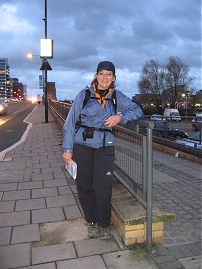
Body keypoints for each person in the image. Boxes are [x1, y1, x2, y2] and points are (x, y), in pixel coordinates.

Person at [62, 61, 143, 240]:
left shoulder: (117, 96)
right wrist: (67, 150)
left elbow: (137, 111)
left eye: (109, 74)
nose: (105, 77)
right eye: (101, 73)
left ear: (114, 78)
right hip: (82, 146)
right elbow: (69, 124)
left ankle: (103, 224)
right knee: (84, 185)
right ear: (96, 76)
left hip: (105, 148)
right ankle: (91, 221)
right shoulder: (83, 95)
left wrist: (119, 117)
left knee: (104, 187)